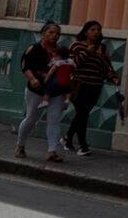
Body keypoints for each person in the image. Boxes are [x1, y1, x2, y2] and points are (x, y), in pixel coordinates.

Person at [62, 21, 118, 157]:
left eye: (98, 29)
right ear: (85, 31)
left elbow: (107, 67)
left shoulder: (103, 48)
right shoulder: (76, 45)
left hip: (95, 85)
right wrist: (87, 52)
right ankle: (83, 145)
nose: (96, 32)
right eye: (92, 29)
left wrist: (113, 76)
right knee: (83, 112)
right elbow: (72, 64)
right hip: (79, 84)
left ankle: (68, 137)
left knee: (84, 113)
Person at [15, 22, 67, 164]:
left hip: (56, 91)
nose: (54, 35)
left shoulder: (61, 52)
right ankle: (20, 145)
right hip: (37, 91)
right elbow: (25, 66)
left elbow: (67, 68)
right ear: (43, 33)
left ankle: (52, 151)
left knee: (54, 120)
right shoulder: (34, 49)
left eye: (57, 33)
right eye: (50, 32)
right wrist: (32, 79)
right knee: (32, 118)